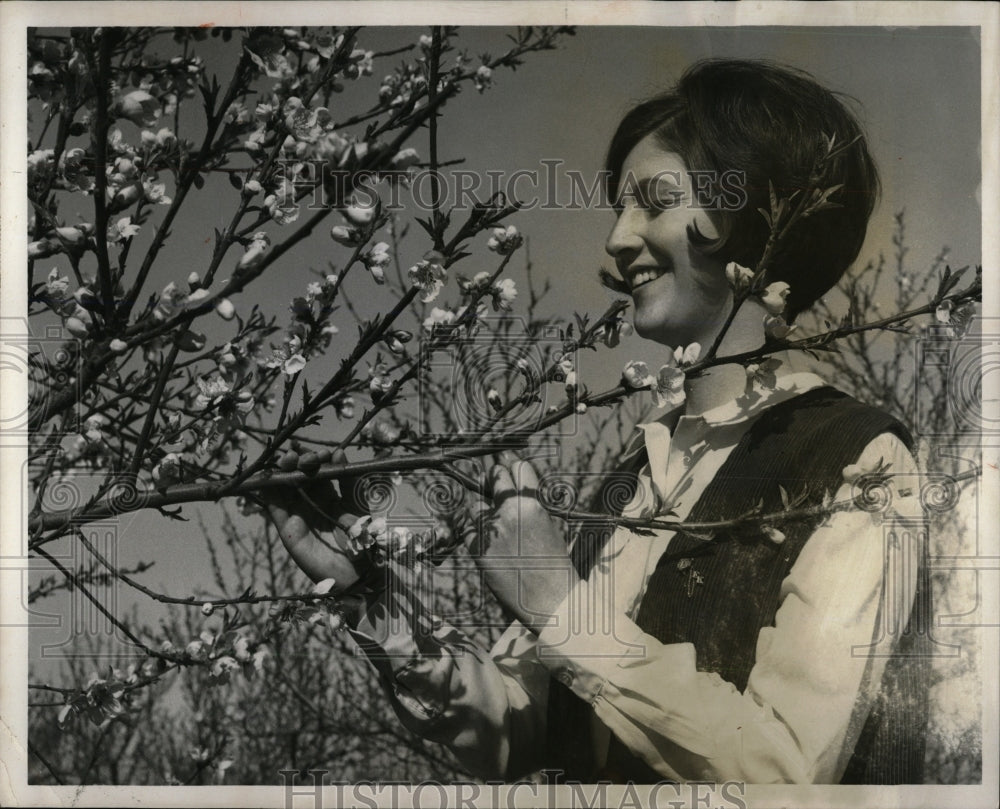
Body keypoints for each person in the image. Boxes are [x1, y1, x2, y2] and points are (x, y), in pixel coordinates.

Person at [264, 59, 930, 784]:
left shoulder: (861, 462)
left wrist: (561, 606)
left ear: (757, 212)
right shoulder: (634, 478)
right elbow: (519, 734)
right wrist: (373, 591)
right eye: (619, 207)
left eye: (652, 201)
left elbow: (787, 775)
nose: (617, 239)